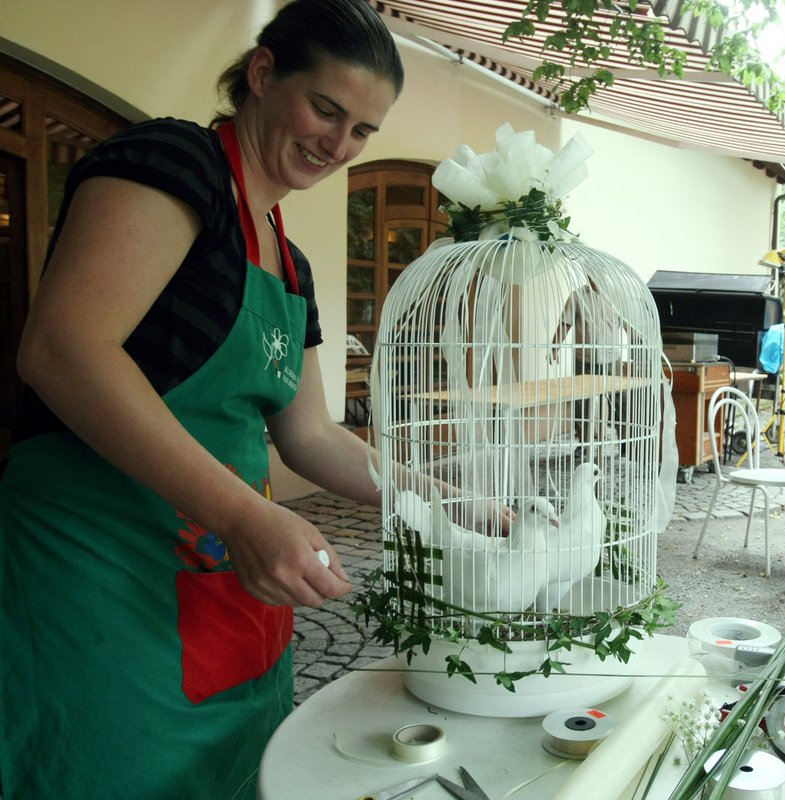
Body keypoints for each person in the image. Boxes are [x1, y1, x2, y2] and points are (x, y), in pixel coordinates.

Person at [0, 3, 509, 797]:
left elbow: (311, 437)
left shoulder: (293, 265)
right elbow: (64, 349)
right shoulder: (174, 164)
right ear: (264, 74)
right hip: (97, 569)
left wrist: (449, 502)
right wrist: (241, 515)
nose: (337, 145)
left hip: (217, 581)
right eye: (327, 109)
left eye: (364, 132)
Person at [550, 275, 630, 451]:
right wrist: (554, 346)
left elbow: (629, 327)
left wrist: (641, 346)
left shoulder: (617, 297)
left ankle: (625, 442)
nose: (594, 278)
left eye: (597, 273)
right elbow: (565, 323)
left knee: (618, 400)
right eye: (590, 274)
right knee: (581, 401)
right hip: (584, 358)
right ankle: (585, 443)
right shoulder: (577, 296)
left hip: (611, 358)